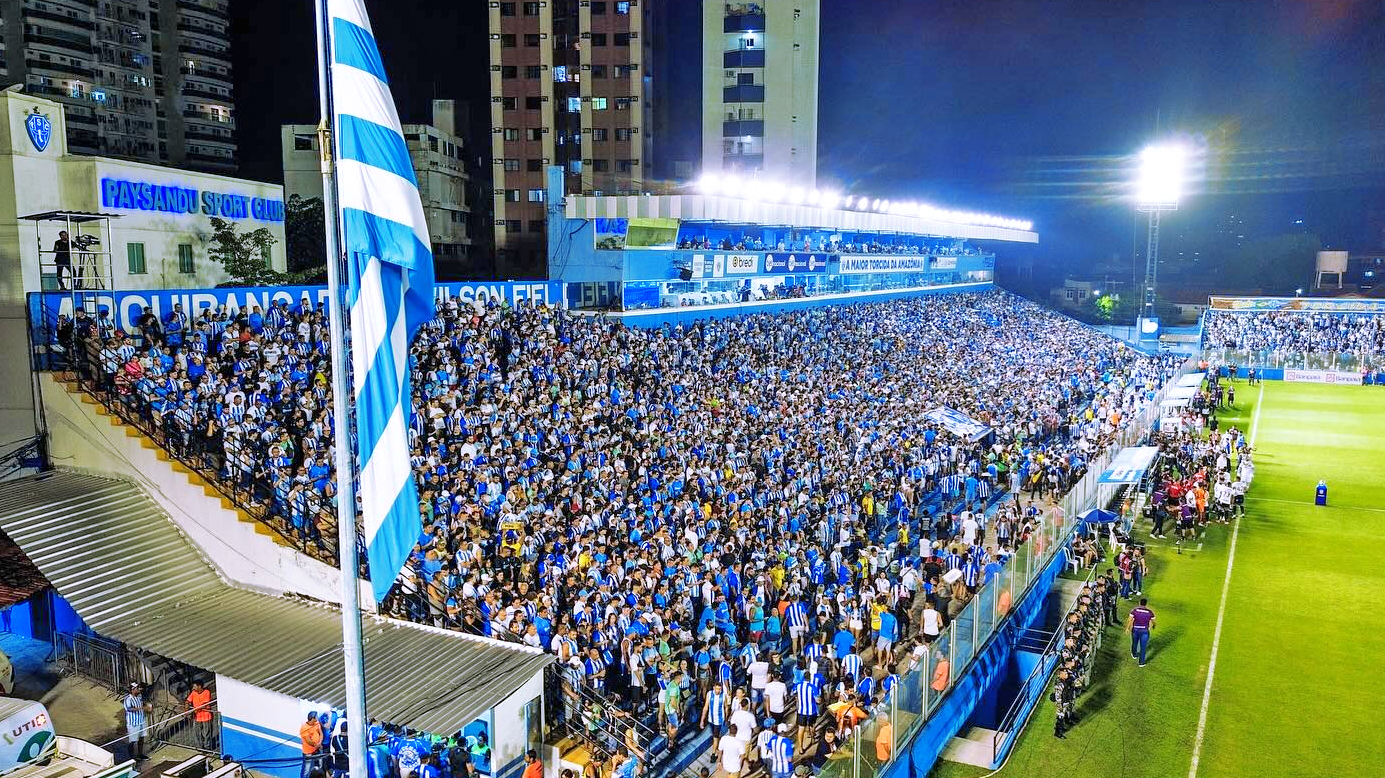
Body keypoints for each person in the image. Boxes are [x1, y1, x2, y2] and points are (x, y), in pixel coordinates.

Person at [123, 682, 151, 761]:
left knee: (141, 738)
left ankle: (140, 754)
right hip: (133, 723)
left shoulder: (139, 696)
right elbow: (129, 708)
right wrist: (142, 708)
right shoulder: (128, 699)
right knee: (132, 740)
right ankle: (131, 758)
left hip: (141, 721)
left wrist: (147, 707)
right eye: (137, 688)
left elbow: (142, 704)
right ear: (132, 690)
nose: (139, 689)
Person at [1126, 598, 1157, 667]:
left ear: (1139, 603)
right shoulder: (1150, 612)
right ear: (1146, 604)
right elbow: (1153, 621)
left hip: (1135, 630)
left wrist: (1127, 628)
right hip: (1144, 631)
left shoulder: (1135, 610)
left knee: (1134, 643)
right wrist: (1154, 626)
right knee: (1143, 647)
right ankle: (1141, 663)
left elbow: (1129, 620)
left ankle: (1134, 654)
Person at [186, 680, 214, 750]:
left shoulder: (206, 692)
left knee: (207, 733)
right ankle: (200, 747)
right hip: (197, 716)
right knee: (197, 733)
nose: (193, 688)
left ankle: (207, 747)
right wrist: (186, 706)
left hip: (206, 716)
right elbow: (188, 700)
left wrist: (194, 709)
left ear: (199, 686)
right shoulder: (193, 693)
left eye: (195, 686)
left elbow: (204, 705)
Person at [300, 712, 325, 778]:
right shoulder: (304, 728)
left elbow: (321, 733)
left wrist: (320, 742)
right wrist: (318, 745)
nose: (317, 718)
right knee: (306, 770)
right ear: (312, 718)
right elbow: (309, 741)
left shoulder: (317, 723)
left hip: (317, 750)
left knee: (319, 767)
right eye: (316, 717)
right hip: (308, 752)